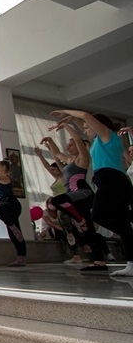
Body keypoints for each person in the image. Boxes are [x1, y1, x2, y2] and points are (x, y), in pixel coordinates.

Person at [51, 110, 133, 277]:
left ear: (98, 125)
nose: (86, 129)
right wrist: (71, 122)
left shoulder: (107, 136)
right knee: (123, 223)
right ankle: (131, 265)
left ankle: (129, 235)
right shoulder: (99, 141)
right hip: (109, 181)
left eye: (87, 127)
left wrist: (67, 112)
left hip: (112, 180)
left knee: (98, 215)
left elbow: (86, 116)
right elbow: (82, 134)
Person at [42, 126, 107, 271]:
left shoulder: (83, 158)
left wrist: (67, 125)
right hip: (74, 196)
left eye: (71, 145)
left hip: (82, 192)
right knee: (88, 230)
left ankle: (79, 220)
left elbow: (78, 139)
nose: (68, 147)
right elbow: (57, 153)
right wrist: (50, 141)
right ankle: (99, 261)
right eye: (68, 145)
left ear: (80, 146)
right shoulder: (69, 160)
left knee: (57, 201)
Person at [0, 160, 26, 267]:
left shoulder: (5, 178)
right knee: (14, 235)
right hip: (6, 207)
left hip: (10, 204)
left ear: (3, 168)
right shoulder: (0, 182)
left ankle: (12, 225)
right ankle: (21, 257)